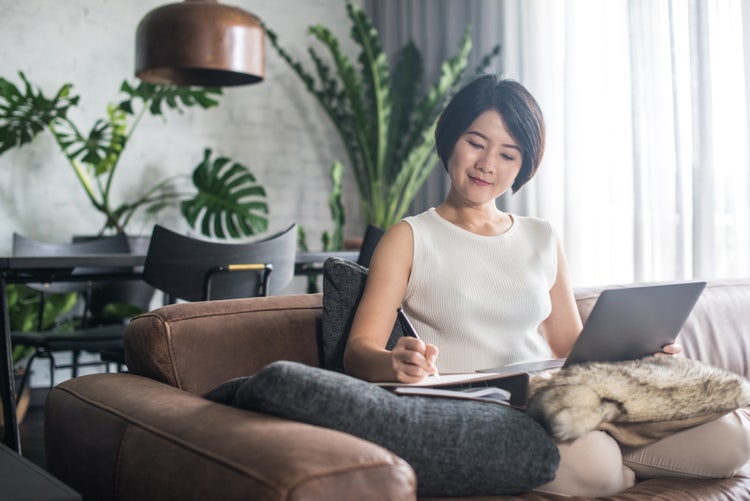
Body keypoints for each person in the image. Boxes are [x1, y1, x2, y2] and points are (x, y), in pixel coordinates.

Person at [343, 74, 750, 497]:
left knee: (732, 441)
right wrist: (395, 363)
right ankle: (623, 467)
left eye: (508, 154)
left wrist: (638, 353)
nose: (487, 164)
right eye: (476, 143)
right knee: (595, 465)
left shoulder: (542, 236)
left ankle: (618, 457)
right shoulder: (408, 238)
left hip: (563, 397)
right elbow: (358, 353)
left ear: (524, 164)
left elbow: (568, 346)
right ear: (450, 139)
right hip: (486, 411)